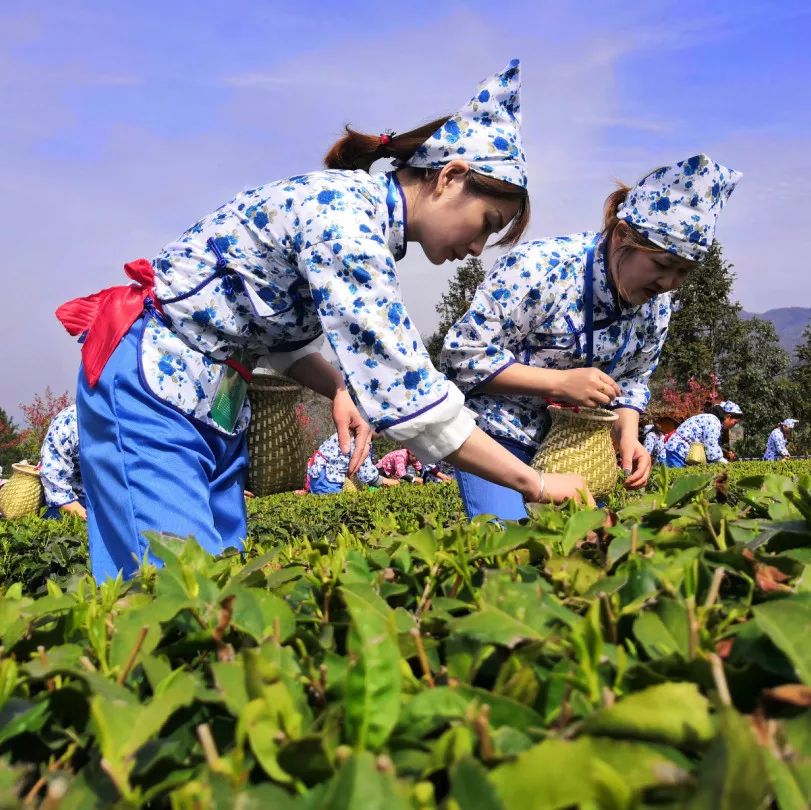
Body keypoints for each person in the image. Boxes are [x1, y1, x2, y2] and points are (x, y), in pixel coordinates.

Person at [56, 60, 589, 582]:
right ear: (449, 178)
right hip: (154, 380)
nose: (476, 249)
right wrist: (534, 482)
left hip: (211, 396)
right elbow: (411, 398)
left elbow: (274, 334)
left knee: (220, 579)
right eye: (485, 225)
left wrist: (337, 387)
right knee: (172, 585)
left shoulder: (362, 224)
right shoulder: (345, 223)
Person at [441, 154, 742, 519]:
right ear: (620, 236)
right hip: (497, 436)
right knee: (507, 552)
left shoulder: (656, 306)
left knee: (583, 556)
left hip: (578, 452)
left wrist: (627, 436)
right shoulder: (541, 269)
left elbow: (633, 379)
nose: (669, 284)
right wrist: (558, 383)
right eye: (662, 266)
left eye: (683, 273)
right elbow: (462, 356)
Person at [306, 432, 397, 494]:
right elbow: (367, 475)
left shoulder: (349, 431)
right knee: (330, 503)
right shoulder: (361, 439)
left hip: (320, 471)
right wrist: (389, 482)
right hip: (327, 476)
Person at [39, 404, 87, 520]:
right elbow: (53, 475)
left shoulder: (133, 416)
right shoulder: (70, 419)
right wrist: (88, 518)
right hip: (73, 501)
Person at [664, 401, 743, 467]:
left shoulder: (712, 419)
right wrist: (728, 465)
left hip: (678, 450)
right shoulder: (713, 422)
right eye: (735, 422)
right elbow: (713, 453)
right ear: (728, 416)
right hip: (678, 451)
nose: (734, 425)